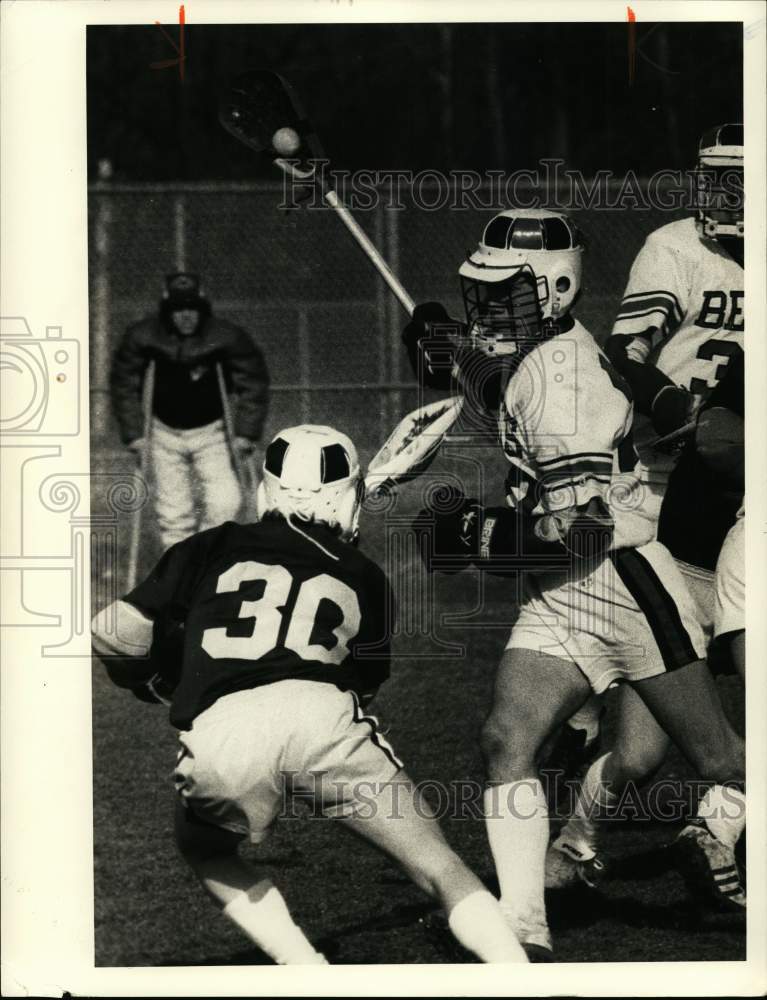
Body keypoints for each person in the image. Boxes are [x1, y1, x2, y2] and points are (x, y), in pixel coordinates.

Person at [408, 208, 745, 958]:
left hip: (621, 584)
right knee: (506, 738)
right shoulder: (534, 345)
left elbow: (584, 528)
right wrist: (441, 351)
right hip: (560, 590)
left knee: (723, 761)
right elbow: (490, 377)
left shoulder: (567, 388)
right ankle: (522, 928)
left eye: (503, 296)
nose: (485, 311)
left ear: (555, 292)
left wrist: (477, 537)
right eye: (480, 294)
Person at [91, 424, 528, 966]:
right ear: (347, 496)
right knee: (437, 865)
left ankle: (303, 967)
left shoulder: (212, 544)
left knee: (204, 848)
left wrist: (156, 679)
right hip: (323, 715)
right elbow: (363, 685)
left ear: (266, 490)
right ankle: (516, 970)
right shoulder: (364, 574)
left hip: (225, 727)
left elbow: (113, 631)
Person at [547, 124, 745, 891]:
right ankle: (574, 830)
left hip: (740, 484)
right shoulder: (674, 248)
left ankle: (716, 823)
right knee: (639, 746)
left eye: (742, 179)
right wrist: (662, 398)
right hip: (669, 482)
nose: (725, 197)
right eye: (718, 178)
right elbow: (625, 352)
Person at [110, 272, 270, 549]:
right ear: (167, 311)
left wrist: (246, 433)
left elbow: (253, 382)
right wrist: (134, 433)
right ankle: (179, 573)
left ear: (202, 309)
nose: (186, 316)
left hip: (212, 433)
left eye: (192, 309)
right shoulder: (145, 336)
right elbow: (124, 384)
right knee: (174, 513)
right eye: (178, 309)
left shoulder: (225, 336)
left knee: (227, 503)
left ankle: (204, 558)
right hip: (163, 433)